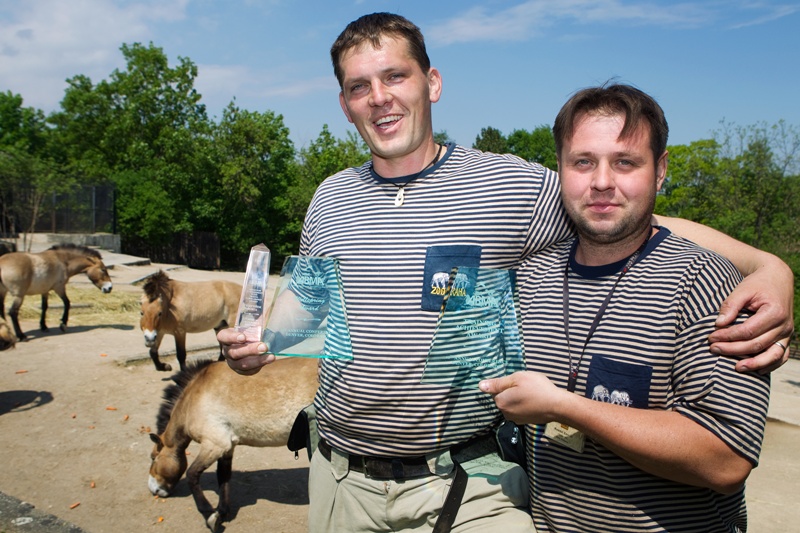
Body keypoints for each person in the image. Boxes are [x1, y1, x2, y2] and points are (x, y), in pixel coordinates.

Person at [219, 13, 792, 533]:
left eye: (395, 77)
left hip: (465, 484)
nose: (379, 98)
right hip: (340, 477)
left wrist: (767, 266)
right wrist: (261, 341)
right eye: (359, 87)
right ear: (344, 104)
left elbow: (626, 212)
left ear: (432, 83)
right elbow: (308, 307)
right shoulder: (330, 198)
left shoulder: (507, 186)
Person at [480, 83, 771, 531]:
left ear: (660, 171)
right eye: (583, 162)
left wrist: (565, 407)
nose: (601, 182)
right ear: (559, 169)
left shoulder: (708, 282)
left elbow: (726, 459)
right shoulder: (531, 278)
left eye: (625, 162)